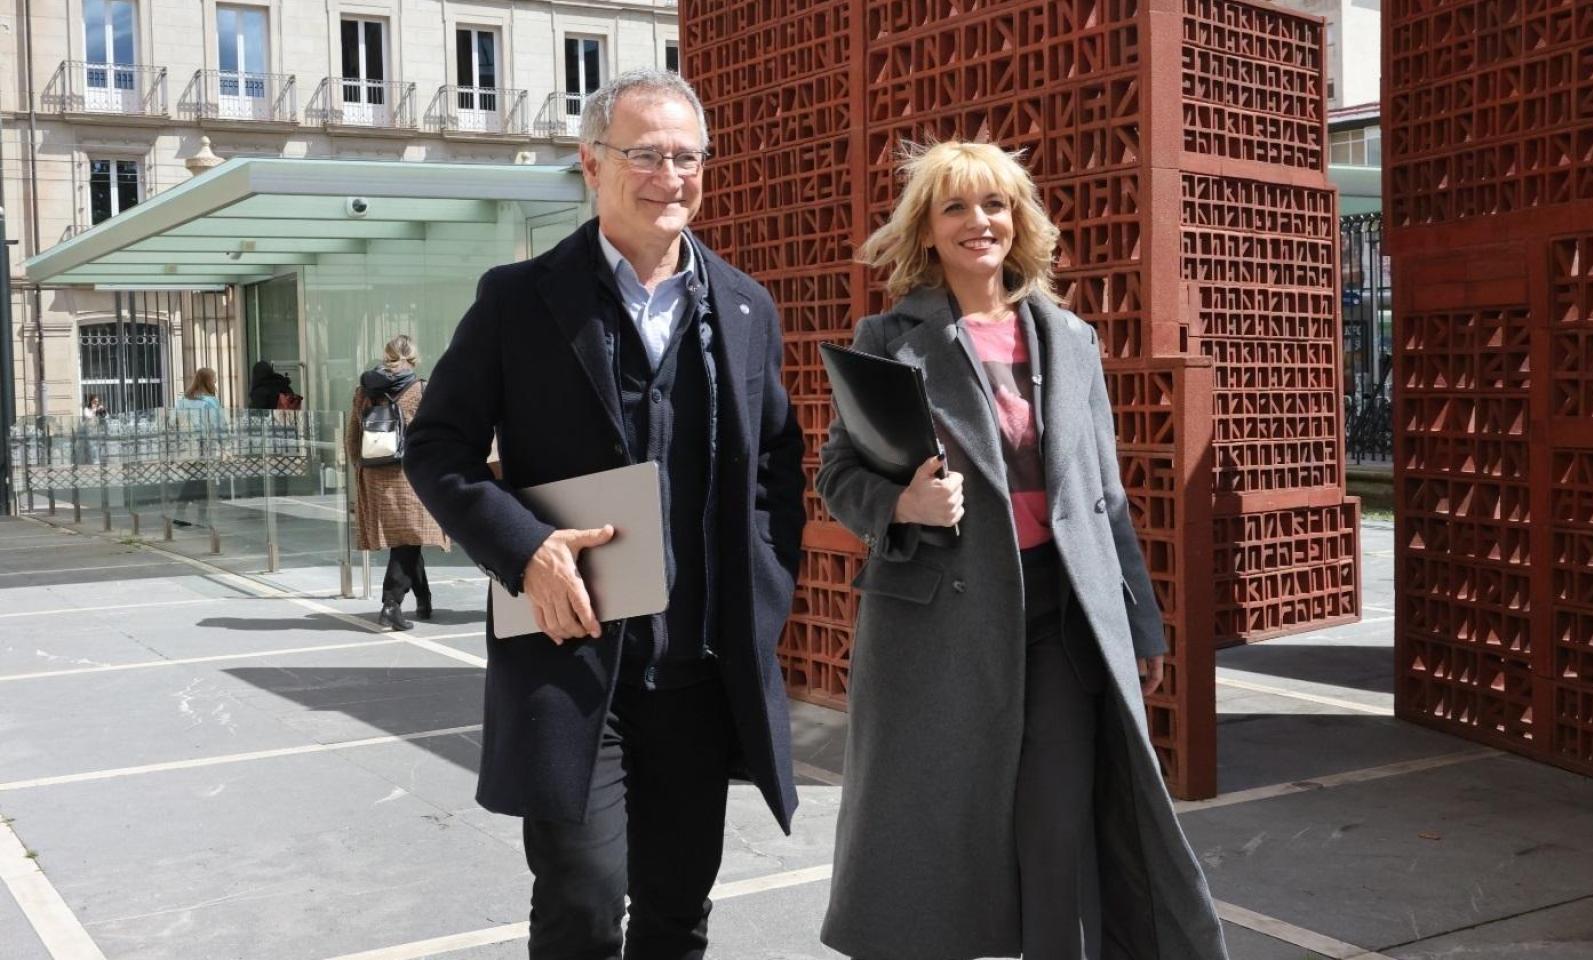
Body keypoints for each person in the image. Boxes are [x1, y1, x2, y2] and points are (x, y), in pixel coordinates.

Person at [403, 68, 806, 960]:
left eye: (689, 156)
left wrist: (765, 593)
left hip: (699, 674)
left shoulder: (742, 305)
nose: (673, 175)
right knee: (584, 905)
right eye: (647, 155)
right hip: (572, 665)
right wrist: (525, 551)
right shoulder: (519, 299)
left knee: (676, 911)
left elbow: (779, 460)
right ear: (591, 164)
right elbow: (437, 449)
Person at [816, 140, 1230, 960]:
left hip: (1063, 613)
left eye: (996, 204)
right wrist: (902, 503)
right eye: (956, 207)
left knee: (1056, 827)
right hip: (938, 620)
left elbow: (1106, 497)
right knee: (936, 830)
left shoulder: (1069, 338)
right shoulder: (887, 336)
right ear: (927, 231)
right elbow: (837, 472)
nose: (981, 223)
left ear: (1020, 220)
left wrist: (1140, 622)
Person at [345, 335, 448, 631]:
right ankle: (391, 605)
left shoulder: (364, 391)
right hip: (409, 473)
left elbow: (353, 436)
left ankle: (424, 598)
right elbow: (434, 434)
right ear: (413, 357)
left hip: (374, 473)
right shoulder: (421, 389)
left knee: (408, 538)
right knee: (408, 538)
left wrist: (359, 466)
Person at [171, 368, 226, 528]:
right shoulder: (211, 401)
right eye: (214, 379)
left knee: (195, 480)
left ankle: (184, 514)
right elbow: (218, 424)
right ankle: (198, 516)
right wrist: (224, 444)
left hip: (188, 445)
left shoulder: (183, 400)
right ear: (208, 381)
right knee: (203, 481)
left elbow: (175, 422)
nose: (215, 382)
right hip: (205, 445)